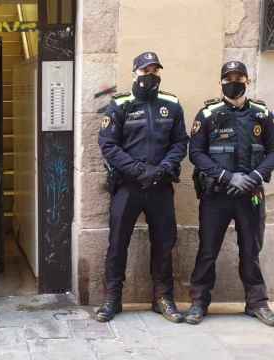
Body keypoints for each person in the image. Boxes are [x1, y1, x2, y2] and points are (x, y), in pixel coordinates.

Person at [186, 61, 274, 327]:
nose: (234, 81)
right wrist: (227, 176)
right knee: (207, 250)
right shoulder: (207, 114)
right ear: (221, 82)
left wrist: (253, 176)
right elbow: (195, 153)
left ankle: (257, 303)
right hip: (216, 195)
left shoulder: (262, 114)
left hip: (250, 194)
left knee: (251, 250)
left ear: (247, 81)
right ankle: (198, 302)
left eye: (239, 77)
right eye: (229, 77)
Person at [97, 51, 189, 323]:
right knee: (117, 243)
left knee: (164, 243)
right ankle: (112, 298)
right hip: (128, 186)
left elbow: (180, 143)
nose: (150, 76)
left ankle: (163, 298)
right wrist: (138, 170)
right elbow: (108, 145)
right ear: (135, 73)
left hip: (160, 186)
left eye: (154, 72)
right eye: (145, 72)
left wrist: (160, 170)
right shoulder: (119, 105)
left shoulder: (172, 105)